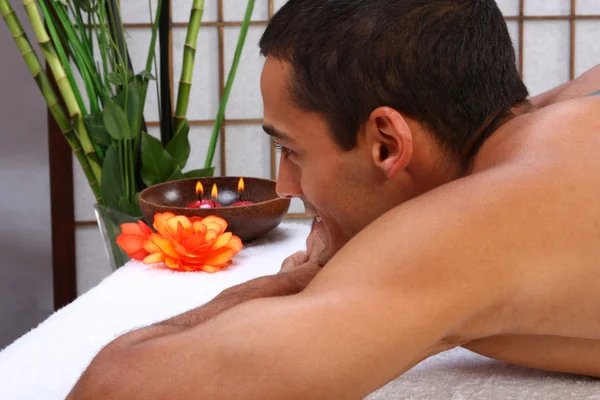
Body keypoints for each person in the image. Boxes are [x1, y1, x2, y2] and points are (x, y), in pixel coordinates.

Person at [68, 1, 600, 398]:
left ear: (386, 144)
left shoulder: (486, 221)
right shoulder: (552, 126)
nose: (285, 187)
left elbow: (116, 387)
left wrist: (302, 280)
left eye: (292, 151)